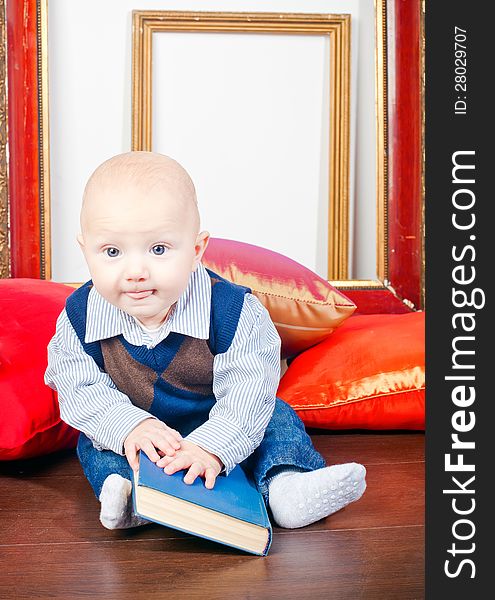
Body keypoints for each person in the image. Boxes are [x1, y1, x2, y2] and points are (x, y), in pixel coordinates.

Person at [45, 151, 366, 531]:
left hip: (223, 417)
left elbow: (249, 389)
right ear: (86, 251)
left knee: (274, 417)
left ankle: (286, 485)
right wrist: (127, 426)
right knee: (97, 440)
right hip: (138, 426)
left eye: (159, 249)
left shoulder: (233, 312)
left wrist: (212, 445)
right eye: (112, 252)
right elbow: (77, 386)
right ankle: (132, 497)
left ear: (196, 250)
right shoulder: (79, 316)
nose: (135, 272)